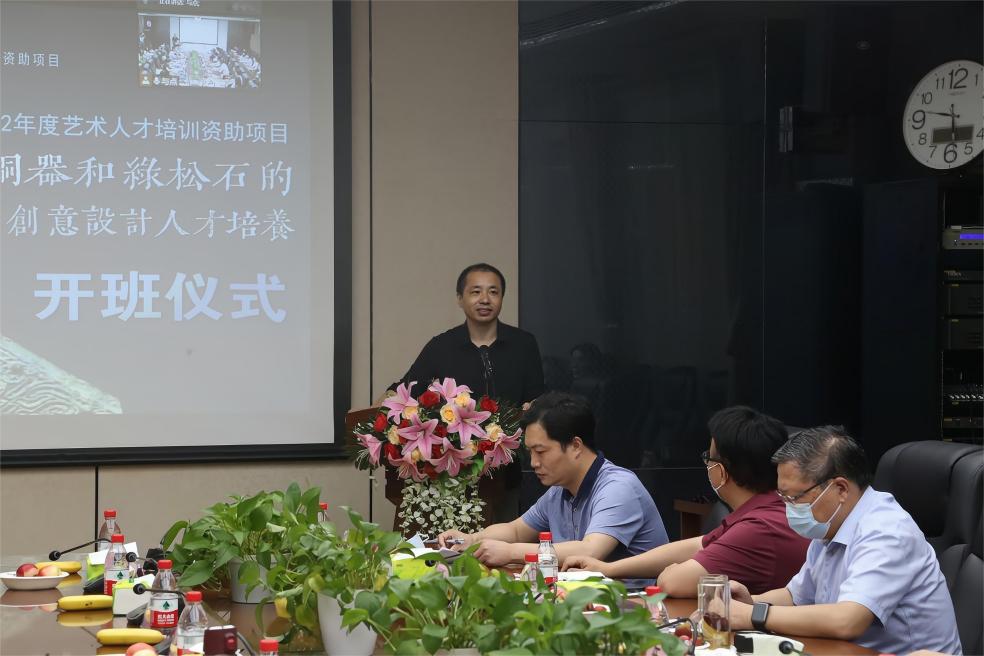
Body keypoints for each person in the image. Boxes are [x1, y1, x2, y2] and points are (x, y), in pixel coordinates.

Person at [728, 426, 961, 655]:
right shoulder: (831, 524)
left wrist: (752, 616)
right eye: (783, 497)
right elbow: (796, 597)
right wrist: (749, 603)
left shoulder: (887, 530)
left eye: (794, 498)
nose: (788, 508)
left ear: (840, 489)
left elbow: (848, 620)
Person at [564, 406, 809, 596]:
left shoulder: (759, 527)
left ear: (721, 471)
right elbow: (698, 545)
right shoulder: (766, 509)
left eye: (708, 457)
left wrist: (672, 570)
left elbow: (673, 583)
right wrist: (607, 569)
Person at [385, 263, 544, 524]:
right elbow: (404, 389)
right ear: (460, 298)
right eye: (475, 292)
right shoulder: (441, 346)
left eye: (493, 292)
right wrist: (379, 414)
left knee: (502, 539)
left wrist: (532, 410)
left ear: (502, 298)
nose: (485, 299)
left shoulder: (523, 344)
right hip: (450, 476)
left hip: (505, 470)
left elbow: (537, 397)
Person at [437, 392, 668, 567]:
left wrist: (510, 553)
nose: (534, 462)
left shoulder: (618, 487)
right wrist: (471, 540)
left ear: (575, 445)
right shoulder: (560, 489)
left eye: (541, 451)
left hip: (636, 604)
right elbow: (516, 531)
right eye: (530, 452)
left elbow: (589, 551)